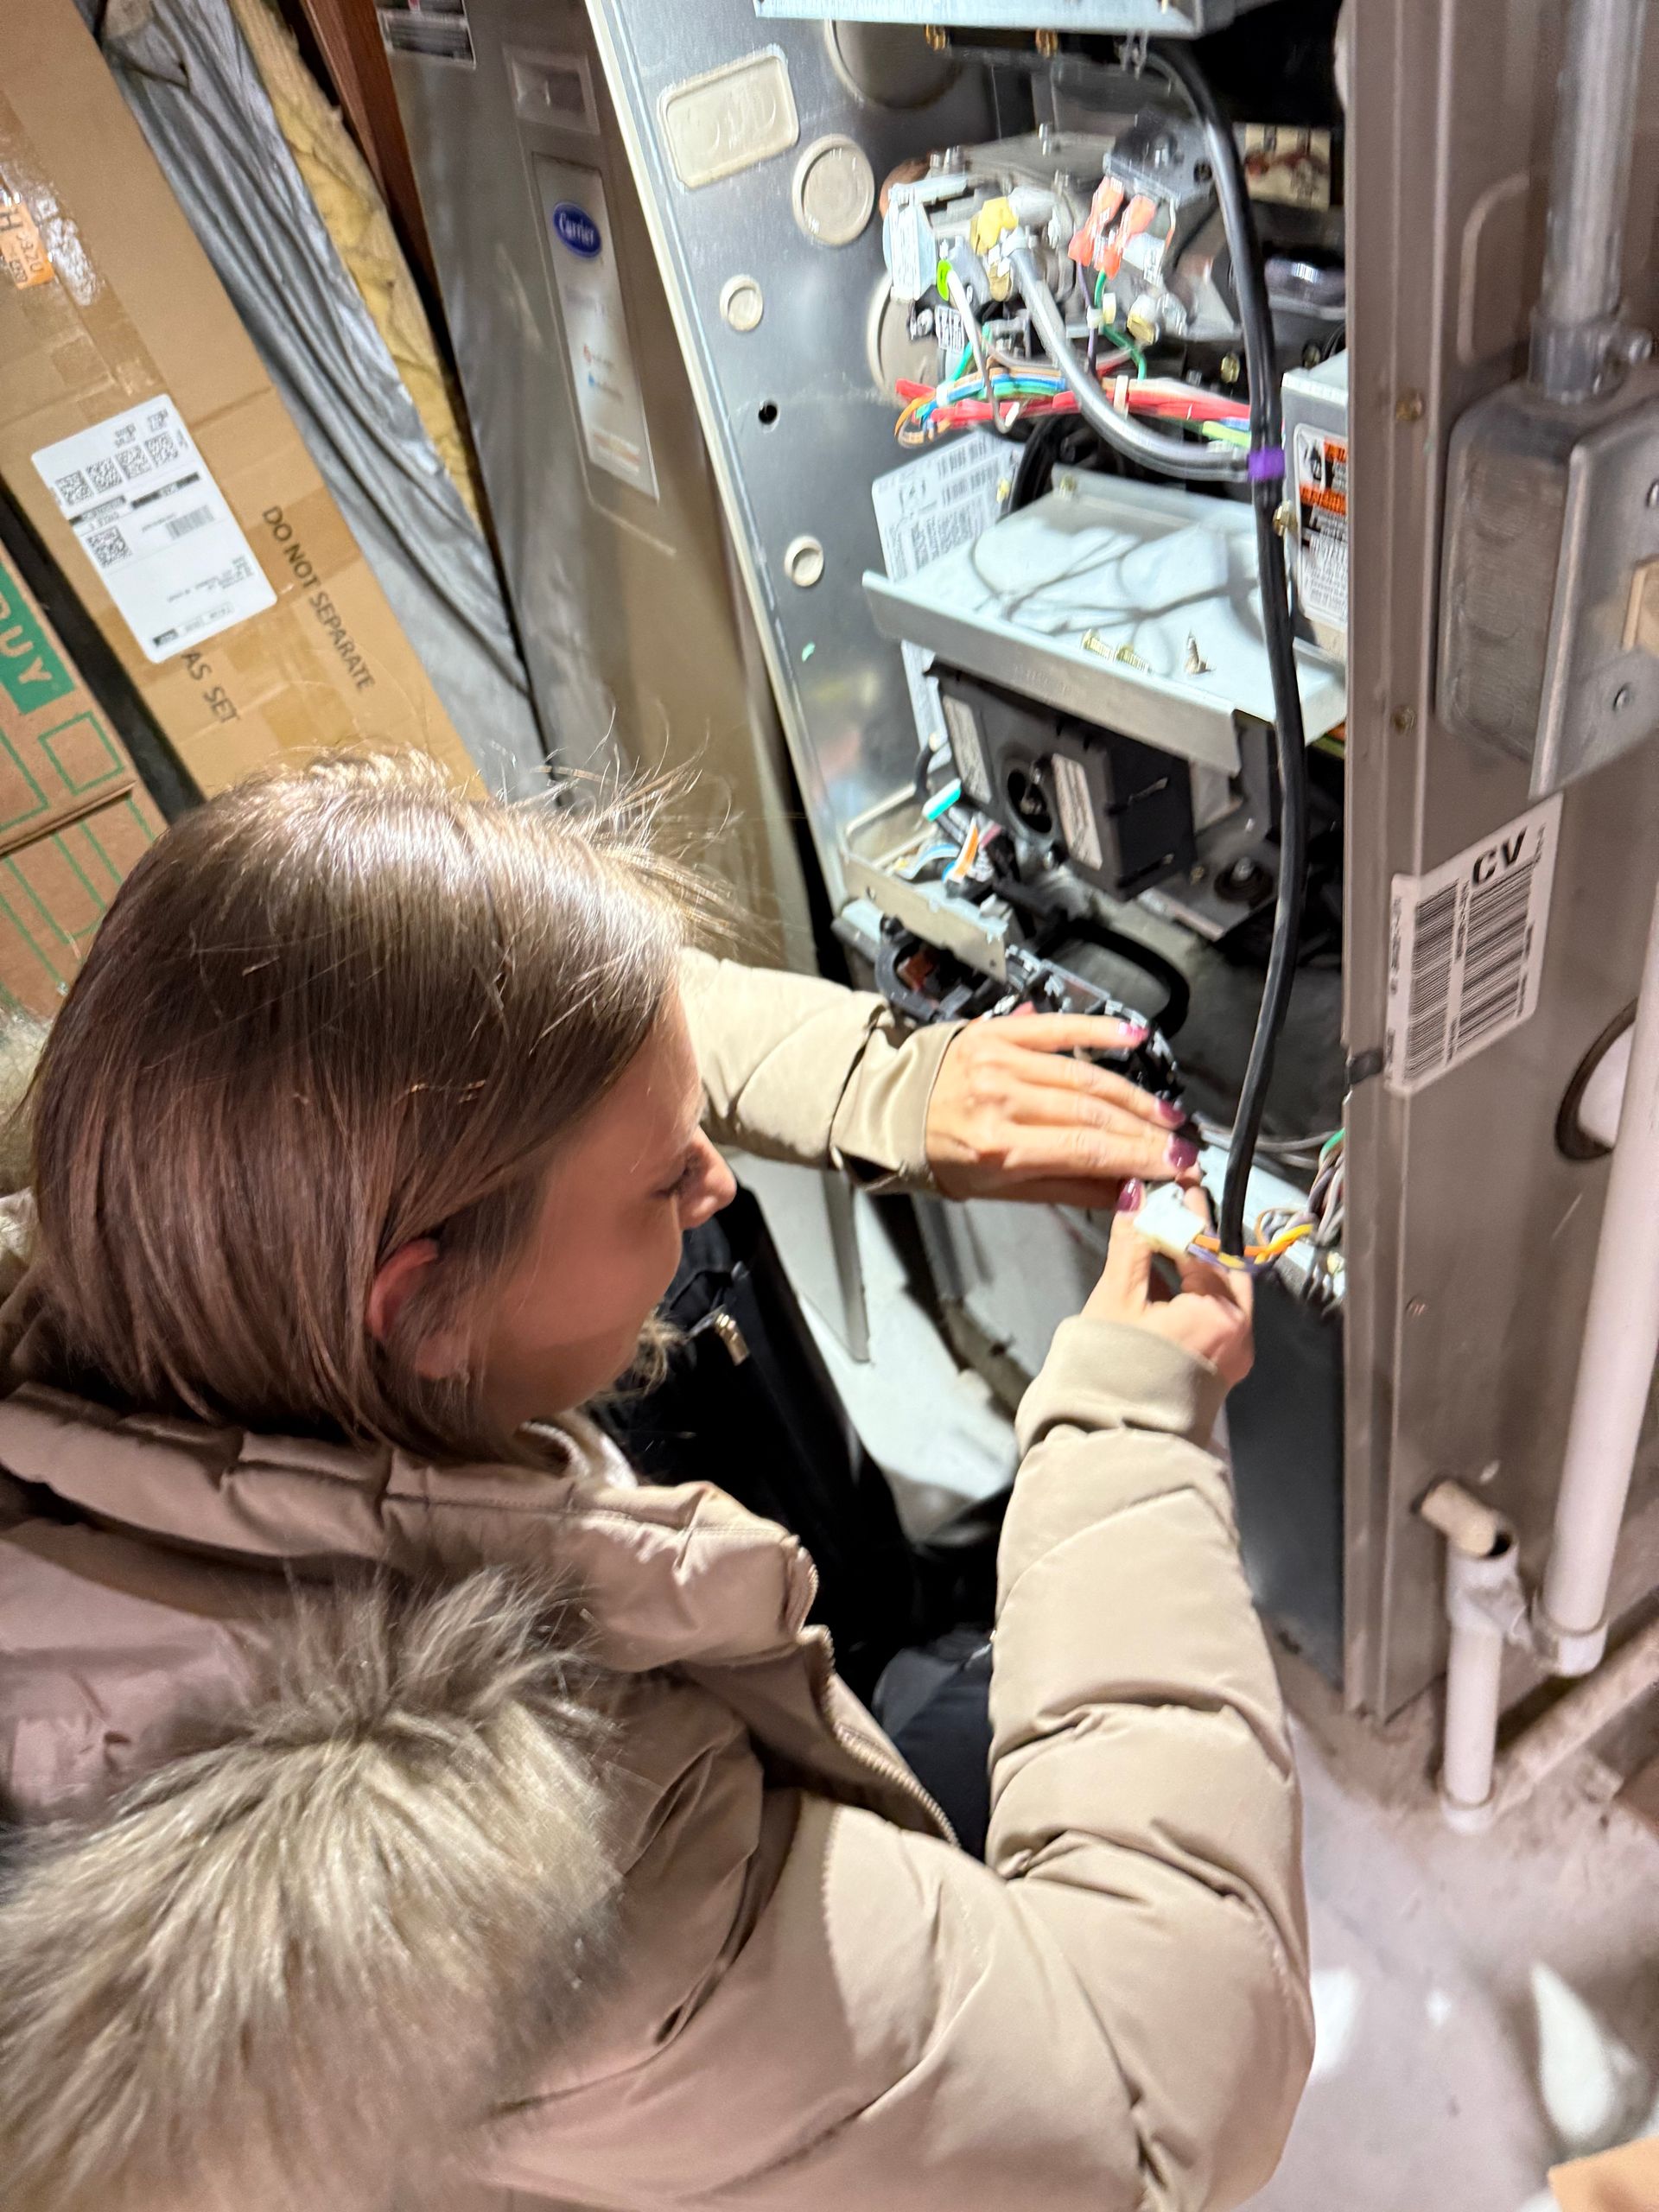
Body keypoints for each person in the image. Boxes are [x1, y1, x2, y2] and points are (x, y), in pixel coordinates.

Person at [0, 753, 1311, 2212]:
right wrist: (1132, 1419)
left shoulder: (131, 1203)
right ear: (421, 1307)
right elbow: (1150, 2106)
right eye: (656, 1176)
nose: (715, 1181)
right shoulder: (554, 1888)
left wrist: (886, 1079)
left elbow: (513, 1020)